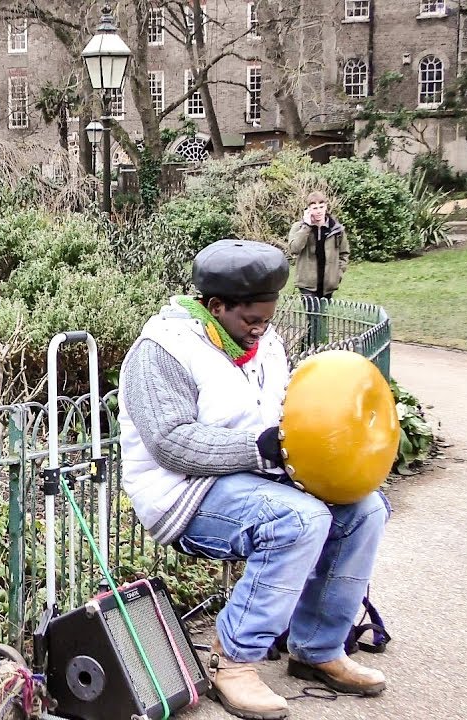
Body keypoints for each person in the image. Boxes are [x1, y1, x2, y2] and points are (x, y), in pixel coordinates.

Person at [116, 239, 388, 720]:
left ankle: (318, 647)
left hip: (256, 477)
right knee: (298, 520)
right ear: (215, 306)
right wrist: (262, 450)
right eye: (251, 319)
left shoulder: (264, 344)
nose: (261, 330)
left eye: (268, 317)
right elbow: (171, 442)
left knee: (364, 509)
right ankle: (234, 660)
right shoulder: (161, 350)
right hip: (183, 494)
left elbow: (286, 413)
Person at [287, 191, 348, 350]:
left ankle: (306, 351)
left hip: (327, 283)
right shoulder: (299, 227)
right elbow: (294, 248)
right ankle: (311, 351)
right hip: (307, 284)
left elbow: (344, 253)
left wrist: (338, 274)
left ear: (326, 207)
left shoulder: (336, 229)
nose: (318, 210)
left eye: (321, 206)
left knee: (319, 320)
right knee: (315, 319)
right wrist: (307, 227)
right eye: (314, 207)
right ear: (308, 209)